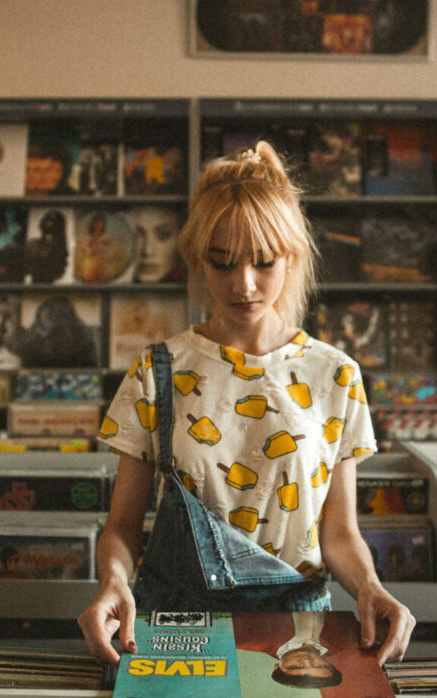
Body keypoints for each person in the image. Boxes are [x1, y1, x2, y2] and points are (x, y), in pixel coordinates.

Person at [78, 140, 414, 667]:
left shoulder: (335, 376)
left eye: (263, 261)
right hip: (179, 626)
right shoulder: (158, 371)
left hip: (298, 630)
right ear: (198, 260)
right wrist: (113, 583)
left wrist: (370, 587)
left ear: (292, 256)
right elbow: (122, 525)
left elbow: (340, 532)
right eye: (223, 263)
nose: (244, 284)